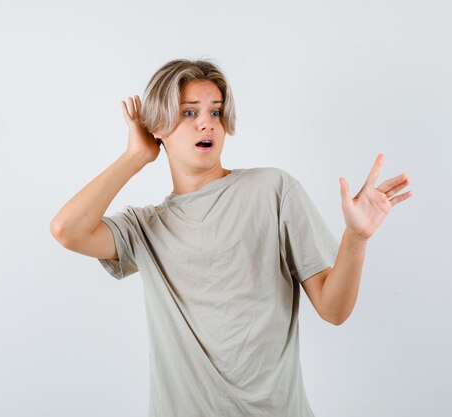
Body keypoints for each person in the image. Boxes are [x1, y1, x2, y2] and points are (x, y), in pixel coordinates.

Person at [49, 58, 412, 417]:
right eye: (190, 113)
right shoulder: (144, 228)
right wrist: (135, 156)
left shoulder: (273, 189)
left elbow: (334, 310)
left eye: (216, 112)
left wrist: (356, 237)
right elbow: (67, 230)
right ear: (157, 126)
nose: (207, 123)